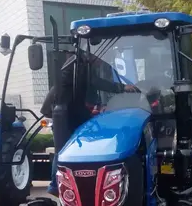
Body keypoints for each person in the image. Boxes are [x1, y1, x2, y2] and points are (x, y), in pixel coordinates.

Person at [46, 51, 137, 196]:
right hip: (64, 110)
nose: (101, 63)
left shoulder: (81, 62)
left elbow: (88, 87)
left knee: (87, 135)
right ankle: (55, 185)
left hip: (73, 107)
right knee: (62, 147)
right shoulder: (77, 63)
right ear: (92, 55)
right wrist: (122, 88)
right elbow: (94, 82)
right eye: (101, 60)